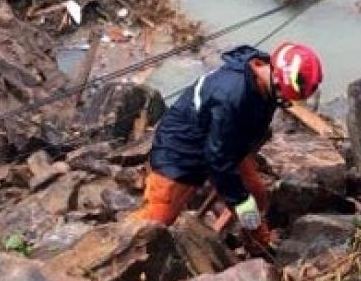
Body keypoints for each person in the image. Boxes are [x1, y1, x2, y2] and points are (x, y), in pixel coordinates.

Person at [132, 42, 323, 247]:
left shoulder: (264, 78)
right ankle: (115, 255)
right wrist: (242, 206)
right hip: (180, 148)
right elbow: (219, 162)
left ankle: (254, 242)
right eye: (284, 96)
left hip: (228, 141)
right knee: (157, 221)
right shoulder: (231, 97)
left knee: (256, 196)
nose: (285, 101)